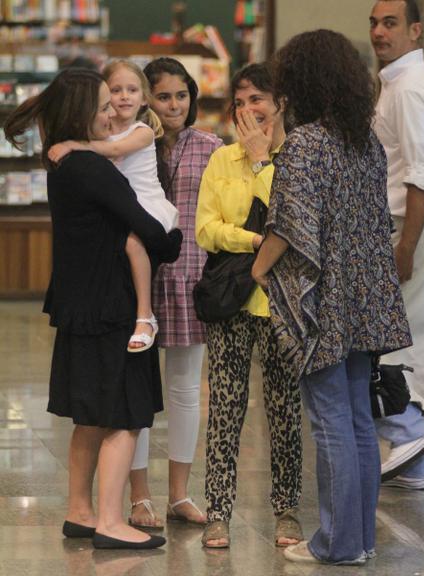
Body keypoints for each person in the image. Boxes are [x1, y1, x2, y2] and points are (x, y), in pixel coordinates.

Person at [4, 68, 182, 549]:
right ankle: (109, 520)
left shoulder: (63, 165)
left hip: (80, 303)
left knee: (89, 416)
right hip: (112, 306)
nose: (114, 113)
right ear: (83, 112)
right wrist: (174, 238)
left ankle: (80, 511)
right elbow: (148, 231)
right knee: (124, 415)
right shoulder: (93, 168)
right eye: (104, 106)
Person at [252, 30, 412, 565]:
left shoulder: (305, 143)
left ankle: (337, 544)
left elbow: (289, 226)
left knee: (329, 424)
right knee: (359, 420)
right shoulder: (364, 141)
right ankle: (359, 540)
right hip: (364, 300)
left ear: (300, 80)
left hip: (320, 303)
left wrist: (256, 268)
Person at [195, 63, 303, 549]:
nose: (247, 111)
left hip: (283, 303)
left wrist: (263, 162)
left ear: (280, 103)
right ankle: (217, 511)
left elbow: (294, 220)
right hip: (232, 298)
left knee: (284, 409)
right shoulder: (222, 160)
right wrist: (252, 239)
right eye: (239, 103)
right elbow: (205, 229)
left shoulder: (297, 158)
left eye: (257, 99)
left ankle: (287, 511)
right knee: (225, 406)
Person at [127, 57, 223, 528]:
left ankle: (180, 495)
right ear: (147, 97)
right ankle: (139, 495)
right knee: (138, 391)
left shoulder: (210, 146)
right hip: (137, 281)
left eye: (181, 95)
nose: (174, 105)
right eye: (163, 96)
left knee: (186, 390)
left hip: (191, 279)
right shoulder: (128, 142)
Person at [369, 0, 424, 489]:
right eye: (375, 23)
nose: (379, 32)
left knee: (400, 346)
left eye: (391, 23)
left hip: (408, 229)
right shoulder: (397, 82)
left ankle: (411, 436)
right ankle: (414, 459)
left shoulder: (412, 87)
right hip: (398, 228)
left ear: (416, 29)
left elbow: (421, 175)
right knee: (400, 344)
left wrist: (406, 247)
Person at [48, 60, 179, 356]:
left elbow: (116, 151)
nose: (123, 97)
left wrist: (75, 144)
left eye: (132, 90)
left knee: (133, 243)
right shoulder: (102, 134)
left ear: (144, 97)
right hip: (127, 205)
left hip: (149, 204)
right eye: (116, 91)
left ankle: (145, 316)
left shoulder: (141, 131)